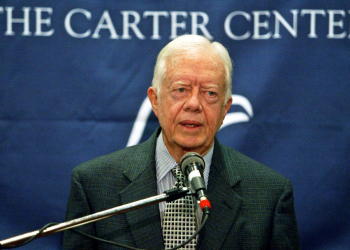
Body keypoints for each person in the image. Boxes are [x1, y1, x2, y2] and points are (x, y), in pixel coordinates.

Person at [63, 35, 301, 249]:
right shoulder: (94, 185)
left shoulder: (269, 195)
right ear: (155, 101)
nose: (194, 104)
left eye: (209, 93)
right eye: (180, 89)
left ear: (225, 108)